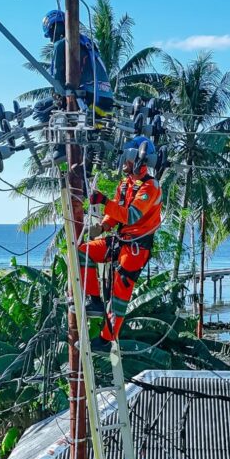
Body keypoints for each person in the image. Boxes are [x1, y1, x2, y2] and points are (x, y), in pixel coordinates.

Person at [78, 136, 163, 350]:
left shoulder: (150, 187)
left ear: (138, 159)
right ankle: (94, 300)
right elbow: (117, 210)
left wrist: (103, 202)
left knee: (119, 294)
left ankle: (107, 340)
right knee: (83, 252)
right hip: (120, 240)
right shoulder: (125, 184)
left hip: (136, 247)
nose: (123, 163)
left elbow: (131, 215)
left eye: (127, 159)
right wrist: (103, 226)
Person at [42, 9, 114, 116]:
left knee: (40, 108)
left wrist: (60, 96)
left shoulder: (61, 45)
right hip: (107, 100)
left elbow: (57, 79)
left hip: (86, 99)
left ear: (55, 27)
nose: (51, 40)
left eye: (50, 34)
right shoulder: (88, 43)